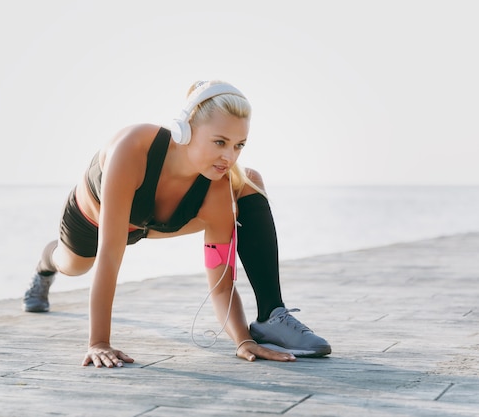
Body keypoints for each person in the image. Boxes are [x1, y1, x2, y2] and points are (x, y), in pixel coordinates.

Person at [22, 80, 331, 368]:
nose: (229, 156)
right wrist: (99, 342)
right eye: (220, 142)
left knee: (249, 182)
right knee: (72, 265)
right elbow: (110, 255)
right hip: (91, 221)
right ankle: (45, 263)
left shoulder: (217, 188)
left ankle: (271, 316)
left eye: (239, 146)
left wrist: (243, 340)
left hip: (158, 224)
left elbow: (221, 285)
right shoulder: (133, 148)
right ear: (185, 130)